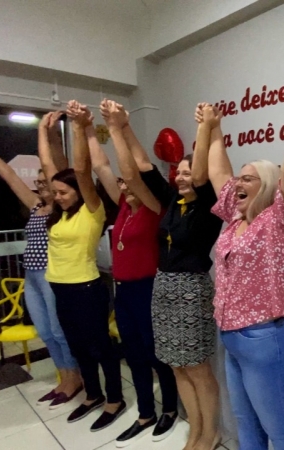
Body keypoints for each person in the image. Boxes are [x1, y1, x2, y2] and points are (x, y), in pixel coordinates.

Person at [200, 78, 284, 449]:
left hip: (268, 337)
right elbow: (217, 173)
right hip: (232, 338)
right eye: (239, 177)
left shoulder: (280, 218)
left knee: (279, 426)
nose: (237, 183)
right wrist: (214, 128)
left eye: (248, 178)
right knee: (246, 425)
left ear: (269, 185)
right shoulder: (235, 217)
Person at [83, 99, 179, 447]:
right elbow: (102, 166)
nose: (123, 185)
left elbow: (129, 169)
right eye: (121, 183)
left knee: (155, 353)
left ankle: (169, 408)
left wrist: (119, 125)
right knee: (134, 354)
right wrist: (88, 129)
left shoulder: (156, 208)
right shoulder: (123, 204)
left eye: (129, 181)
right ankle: (145, 412)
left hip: (148, 289)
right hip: (123, 290)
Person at [138, 109, 223, 450]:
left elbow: (203, 175)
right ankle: (194, 430)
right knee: (176, 366)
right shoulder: (173, 202)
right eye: (180, 173)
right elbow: (143, 168)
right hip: (164, 288)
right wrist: (121, 127)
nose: (184, 177)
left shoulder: (208, 203)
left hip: (191, 289)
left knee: (198, 368)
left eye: (189, 172)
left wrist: (205, 128)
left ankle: (210, 432)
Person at [0, 114, 81, 407]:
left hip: (53, 276)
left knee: (59, 331)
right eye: (37, 180)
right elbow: (10, 176)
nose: (39, 183)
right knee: (45, 332)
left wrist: (48, 136)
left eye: (43, 179)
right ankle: (64, 377)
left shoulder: (62, 209)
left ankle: (75, 378)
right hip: (32, 277)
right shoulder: (36, 206)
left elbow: (58, 167)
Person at [39, 101, 125, 431]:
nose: (56, 196)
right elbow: (50, 167)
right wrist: (42, 132)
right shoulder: (61, 214)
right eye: (54, 191)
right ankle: (92, 394)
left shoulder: (93, 210)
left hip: (86, 288)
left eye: (62, 192)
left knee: (100, 346)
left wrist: (78, 128)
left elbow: (80, 171)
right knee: (77, 347)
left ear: (77, 191)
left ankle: (115, 399)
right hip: (60, 287)